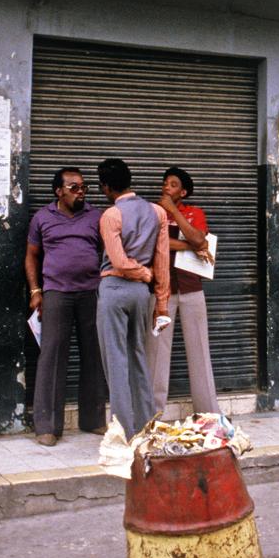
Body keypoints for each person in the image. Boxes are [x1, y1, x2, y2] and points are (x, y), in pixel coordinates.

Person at [25, 167, 107, 447]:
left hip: (91, 292)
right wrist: (36, 291)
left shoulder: (96, 216)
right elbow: (31, 256)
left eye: (84, 187)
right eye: (74, 187)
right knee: (51, 356)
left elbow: (107, 251)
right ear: (58, 191)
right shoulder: (42, 218)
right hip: (56, 293)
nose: (81, 192)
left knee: (93, 355)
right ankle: (47, 426)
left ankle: (93, 419)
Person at [94, 158, 170, 438]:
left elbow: (119, 261)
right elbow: (162, 261)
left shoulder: (111, 216)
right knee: (138, 355)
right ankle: (146, 425)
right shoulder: (157, 212)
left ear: (105, 187)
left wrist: (142, 274)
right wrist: (160, 303)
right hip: (140, 295)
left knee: (115, 361)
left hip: (114, 288)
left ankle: (124, 431)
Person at [150, 166, 220, 418]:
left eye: (172, 184)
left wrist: (174, 213)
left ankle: (209, 413)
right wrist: (189, 247)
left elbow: (201, 240)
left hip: (192, 289)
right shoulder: (153, 213)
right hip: (161, 291)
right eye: (165, 183)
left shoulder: (194, 213)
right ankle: (153, 414)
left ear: (184, 192)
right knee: (156, 353)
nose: (165, 187)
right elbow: (155, 242)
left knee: (200, 350)